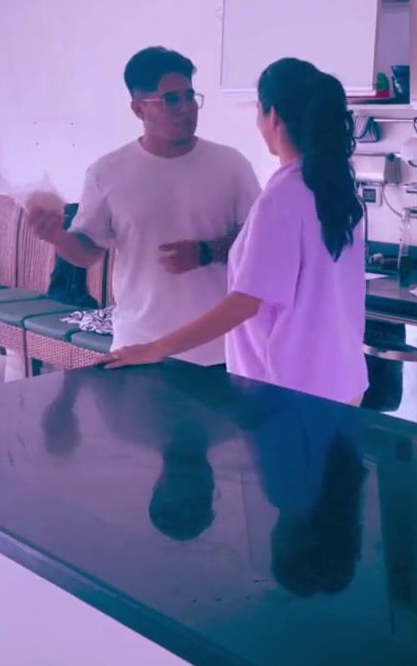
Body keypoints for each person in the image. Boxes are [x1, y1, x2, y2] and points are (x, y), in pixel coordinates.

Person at [105, 57, 368, 406]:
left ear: (273, 117)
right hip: (345, 382)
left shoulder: (281, 199)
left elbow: (244, 303)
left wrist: (156, 348)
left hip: (290, 391)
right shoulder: (339, 190)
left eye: (258, 109)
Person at [28, 46, 261, 366]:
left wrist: (207, 251)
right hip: (138, 347)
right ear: (139, 109)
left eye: (190, 96)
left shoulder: (231, 165)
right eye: (171, 99)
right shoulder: (107, 173)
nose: (186, 108)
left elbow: (258, 243)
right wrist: (58, 237)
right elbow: (88, 251)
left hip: (219, 349)